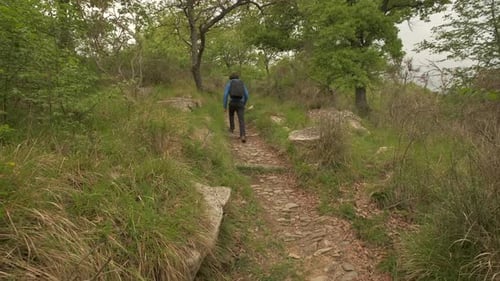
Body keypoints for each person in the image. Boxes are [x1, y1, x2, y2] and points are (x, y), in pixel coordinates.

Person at [223, 73, 249, 143]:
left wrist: (224, 106)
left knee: (231, 115)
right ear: (238, 78)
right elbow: (247, 95)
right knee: (241, 119)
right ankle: (243, 135)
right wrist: (244, 103)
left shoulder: (230, 83)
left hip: (232, 102)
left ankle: (232, 128)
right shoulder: (242, 83)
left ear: (230, 78)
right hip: (240, 103)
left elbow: (225, 95)